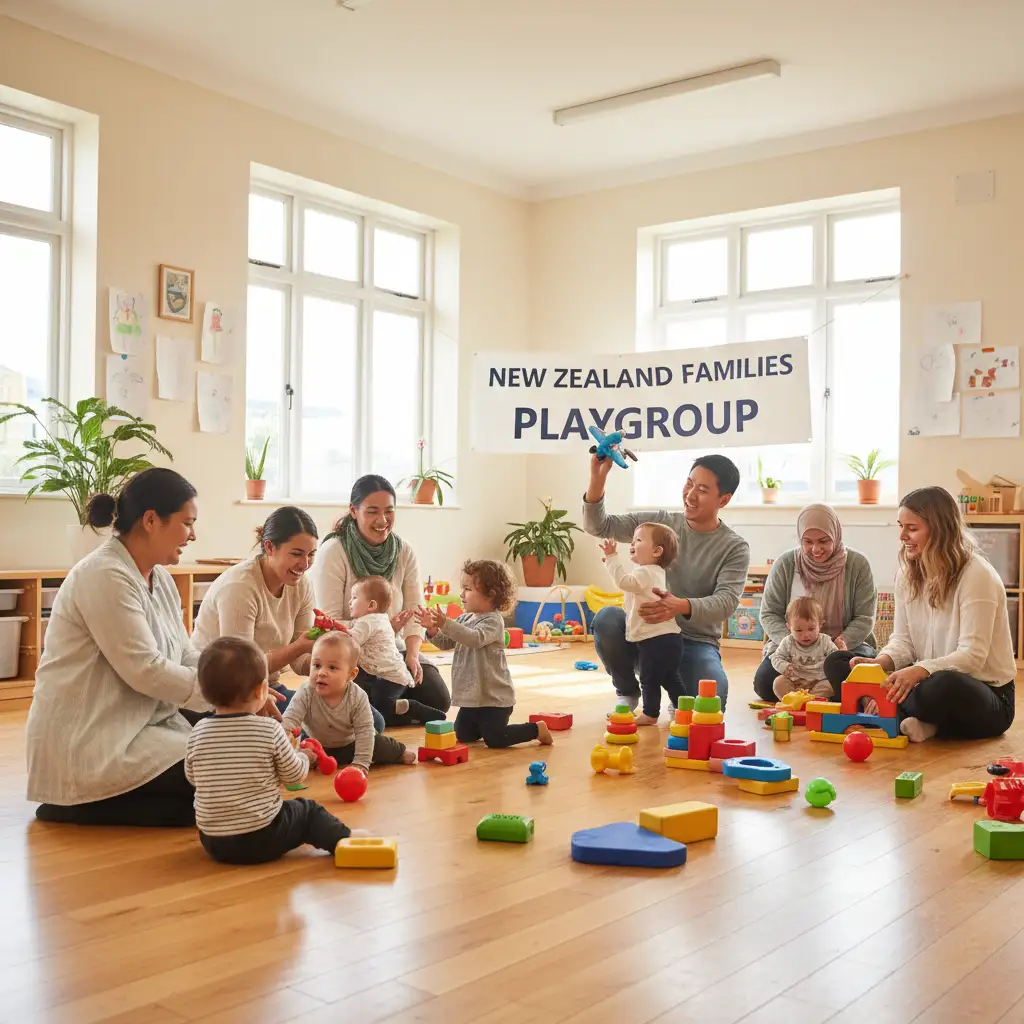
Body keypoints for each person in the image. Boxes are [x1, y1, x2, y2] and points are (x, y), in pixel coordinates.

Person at [26, 468, 279, 828]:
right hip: (90, 738)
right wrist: (230, 697)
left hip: (139, 721)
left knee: (228, 770)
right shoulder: (104, 575)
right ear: (150, 520)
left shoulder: (157, 576)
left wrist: (237, 691)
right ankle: (70, 801)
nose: (193, 535)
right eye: (187, 523)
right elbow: (146, 669)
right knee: (217, 786)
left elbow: (185, 654)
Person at [824, 486, 1016, 741]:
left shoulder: (976, 575)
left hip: (986, 694)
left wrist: (920, 671)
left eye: (912, 528)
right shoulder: (907, 573)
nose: (903, 535)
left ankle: (887, 710)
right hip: (923, 681)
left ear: (940, 530)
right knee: (837, 663)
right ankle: (910, 718)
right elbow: (903, 641)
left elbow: (972, 657)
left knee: (943, 685)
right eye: (900, 526)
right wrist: (882, 663)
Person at [583, 453, 750, 709]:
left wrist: (680, 605)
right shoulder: (661, 524)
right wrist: (598, 478)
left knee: (714, 699)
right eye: (689, 483)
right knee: (606, 620)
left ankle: (676, 690)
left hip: (694, 642)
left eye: (702, 490)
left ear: (724, 500)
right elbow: (600, 527)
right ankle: (628, 691)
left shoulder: (734, 547)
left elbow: (725, 603)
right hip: (645, 634)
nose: (690, 494)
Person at [185, 637, 359, 864]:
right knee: (308, 811)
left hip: (213, 841)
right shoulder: (269, 729)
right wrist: (303, 757)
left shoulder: (198, 730)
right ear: (261, 691)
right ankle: (345, 839)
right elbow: (293, 775)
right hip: (261, 837)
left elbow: (192, 776)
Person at [310, 475, 451, 726]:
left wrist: (412, 656)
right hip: (351, 652)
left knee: (438, 699)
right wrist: (373, 634)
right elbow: (329, 621)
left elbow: (414, 610)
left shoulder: (404, 550)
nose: (382, 520)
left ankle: (386, 708)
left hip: (393, 649)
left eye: (389, 511)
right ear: (354, 511)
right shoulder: (333, 551)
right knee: (355, 700)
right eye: (372, 511)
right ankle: (383, 709)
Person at [191, 506, 320, 712]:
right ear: (269, 547)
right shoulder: (240, 587)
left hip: (265, 686)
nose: (305, 564)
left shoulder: (301, 584)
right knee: (305, 732)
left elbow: (299, 660)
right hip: (226, 692)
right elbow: (240, 669)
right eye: (296, 554)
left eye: (311, 554)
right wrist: (299, 646)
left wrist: (328, 664)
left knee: (350, 718)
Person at [419, 560, 553, 748]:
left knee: (496, 739)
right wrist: (433, 629)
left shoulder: (493, 621)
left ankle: (536, 729)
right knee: (463, 735)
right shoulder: (465, 618)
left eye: (467, 589)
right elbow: (446, 642)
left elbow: (474, 639)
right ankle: (484, 727)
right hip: (471, 699)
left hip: (493, 700)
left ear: (490, 594)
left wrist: (445, 623)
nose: (462, 594)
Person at [754, 502, 876, 701]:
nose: (816, 549)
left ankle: (813, 694)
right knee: (766, 683)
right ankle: (817, 695)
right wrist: (794, 640)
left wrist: (840, 643)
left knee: (849, 674)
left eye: (823, 541)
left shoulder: (857, 564)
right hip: (793, 648)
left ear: (836, 536)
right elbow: (769, 613)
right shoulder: (785, 564)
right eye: (808, 542)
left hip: (842, 646)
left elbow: (864, 617)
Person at [283, 631, 416, 769]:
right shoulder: (306, 691)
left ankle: (399, 752)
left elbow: (364, 732)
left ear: (351, 674)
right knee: (301, 750)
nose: (321, 672)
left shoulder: (357, 697)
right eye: (317, 665)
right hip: (317, 745)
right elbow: (289, 720)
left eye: (332, 668)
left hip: (352, 744)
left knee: (376, 743)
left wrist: (360, 764)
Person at [598, 523, 682, 725]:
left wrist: (612, 559)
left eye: (639, 540)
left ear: (656, 551)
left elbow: (624, 582)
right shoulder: (654, 572)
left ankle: (651, 714)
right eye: (633, 539)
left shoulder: (646, 572)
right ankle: (684, 709)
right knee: (670, 678)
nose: (633, 543)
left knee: (649, 679)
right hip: (670, 637)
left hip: (654, 639)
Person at [342, 576, 447, 725]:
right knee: (377, 708)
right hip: (387, 672)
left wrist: (333, 628)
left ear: (371, 605)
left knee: (380, 710)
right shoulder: (382, 618)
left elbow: (351, 640)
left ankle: (412, 708)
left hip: (389, 676)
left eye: (354, 598)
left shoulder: (366, 622)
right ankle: (407, 711)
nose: (350, 602)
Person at [769, 596, 839, 700]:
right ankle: (793, 700)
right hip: (795, 682)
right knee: (778, 683)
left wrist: (840, 653)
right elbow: (776, 657)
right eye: (798, 630)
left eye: (811, 629)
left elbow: (836, 659)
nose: (805, 635)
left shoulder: (825, 641)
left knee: (830, 685)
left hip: (818, 681)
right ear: (789, 627)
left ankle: (810, 701)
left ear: (820, 625)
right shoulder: (788, 642)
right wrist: (784, 666)